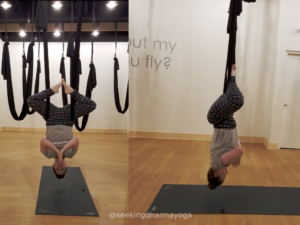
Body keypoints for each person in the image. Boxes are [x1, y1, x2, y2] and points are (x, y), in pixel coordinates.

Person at [27, 79, 96, 179]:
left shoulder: (48, 154)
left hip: (51, 117)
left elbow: (43, 141)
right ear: (65, 167)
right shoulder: (71, 154)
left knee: (30, 101)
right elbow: (75, 140)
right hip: (68, 118)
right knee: (91, 105)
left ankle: (52, 90)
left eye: (57, 169)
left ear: (54, 166)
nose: (60, 167)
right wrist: (63, 150)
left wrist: (57, 151)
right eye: (62, 169)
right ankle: (71, 92)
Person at [207, 65, 244, 190]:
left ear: (216, 173)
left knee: (236, 100)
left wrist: (238, 157)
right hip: (223, 118)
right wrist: (237, 154)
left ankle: (232, 77)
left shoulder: (220, 162)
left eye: (223, 176)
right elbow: (237, 143)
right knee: (232, 99)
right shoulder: (219, 161)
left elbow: (240, 150)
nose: (226, 173)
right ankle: (231, 76)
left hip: (216, 117)